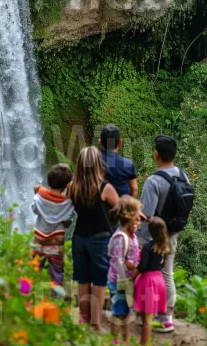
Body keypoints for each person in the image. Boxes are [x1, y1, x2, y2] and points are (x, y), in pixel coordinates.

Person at [137, 135, 189, 332]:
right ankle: (167, 318)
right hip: (173, 235)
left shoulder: (154, 181)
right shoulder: (183, 176)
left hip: (152, 237)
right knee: (167, 274)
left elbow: (147, 214)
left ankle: (143, 313)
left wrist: (138, 238)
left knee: (144, 273)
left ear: (156, 155)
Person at [69, 146, 120, 331]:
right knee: (99, 281)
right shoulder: (105, 188)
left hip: (79, 239)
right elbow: (122, 209)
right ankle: (96, 324)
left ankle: (83, 320)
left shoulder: (72, 186)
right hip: (100, 239)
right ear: (99, 164)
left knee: (83, 280)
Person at [32, 164, 75, 286]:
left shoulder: (40, 195)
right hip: (56, 244)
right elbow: (67, 221)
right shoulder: (67, 203)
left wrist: (36, 191)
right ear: (66, 185)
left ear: (48, 181)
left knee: (35, 268)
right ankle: (57, 299)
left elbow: (34, 210)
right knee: (56, 272)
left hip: (38, 241)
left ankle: (30, 296)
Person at [107, 196, 142, 342]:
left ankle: (126, 340)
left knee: (127, 312)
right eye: (137, 219)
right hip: (119, 282)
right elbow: (119, 262)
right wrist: (124, 283)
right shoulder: (120, 237)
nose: (139, 222)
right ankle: (114, 340)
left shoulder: (131, 235)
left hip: (128, 280)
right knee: (118, 313)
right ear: (128, 217)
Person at [132, 217, 170, 346]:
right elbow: (162, 265)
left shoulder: (148, 247)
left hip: (148, 282)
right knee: (148, 317)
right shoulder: (164, 246)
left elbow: (142, 267)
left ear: (150, 230)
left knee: (147, 319)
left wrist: (131, 279)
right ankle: (145, 341)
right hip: (159, 280)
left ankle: (144, 343)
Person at [100, 124, 138, 197]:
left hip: (98, 206)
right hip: (121, 205)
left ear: (100, 142)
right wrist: (127, 207)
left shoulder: (92, 161)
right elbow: (134, 188)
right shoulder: (128, 164)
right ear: (120, 143)